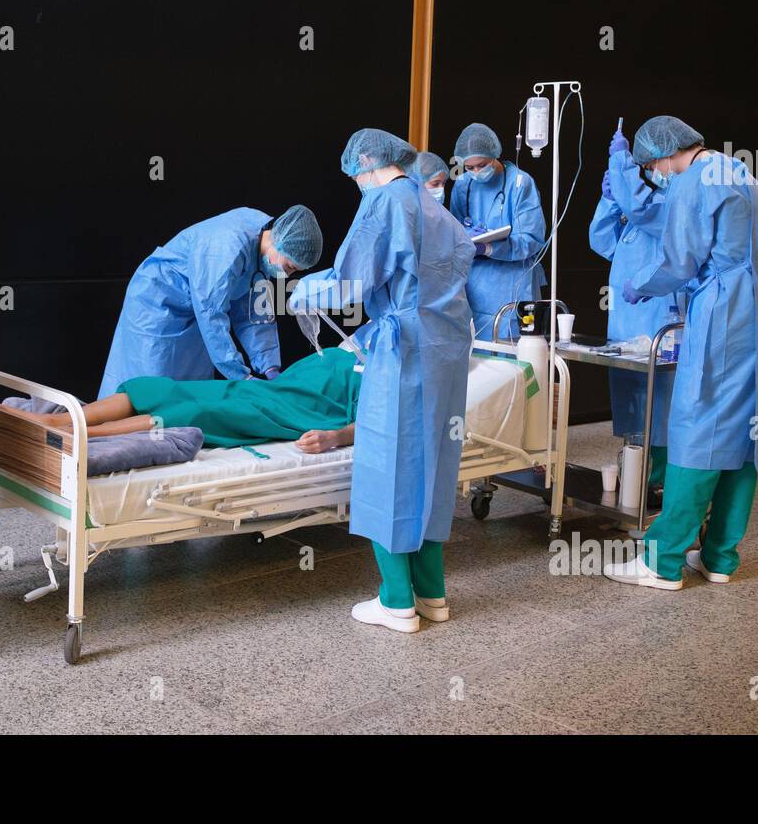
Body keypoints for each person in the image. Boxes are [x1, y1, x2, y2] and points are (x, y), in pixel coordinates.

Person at [289, 129, 474, 634]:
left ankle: (396, 600)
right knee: (433, 468)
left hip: (403, 352)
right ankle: (432, 594)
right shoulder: (433, 206)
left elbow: (352, 281)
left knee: (388, 467)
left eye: (355, 174)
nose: (356, 182)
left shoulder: (383, 203)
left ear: (365, 164)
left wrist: (306, 290)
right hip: (446, 350)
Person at [603, 116, 758, 590]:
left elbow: (678, 259)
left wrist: (639, 285)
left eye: (654, 166)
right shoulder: (740, 172)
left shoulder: (693, 182)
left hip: (726, 310)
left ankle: (662, 561)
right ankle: (720, 556)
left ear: (667, 154)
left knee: (698, 425)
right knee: (748, 429)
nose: (658, 174)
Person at [97, 205, 323, 399]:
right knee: (144, 388)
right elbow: (210, 313)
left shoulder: (261, 254)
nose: (289, 275)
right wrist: (241, 375)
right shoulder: (226, 247)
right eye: (291, 267)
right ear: (280, 241)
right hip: (157, 306)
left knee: (187, 394)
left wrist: (270, 366)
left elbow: (253, 315)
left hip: (195, 314)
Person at [7, 346, 362, 452]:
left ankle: (76, 433)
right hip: (262, 390)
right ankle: (60, 420)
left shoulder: (385, 377)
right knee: (158, 387)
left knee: (192, 411)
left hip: (283, 414)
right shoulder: (341, 349)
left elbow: (372, 424)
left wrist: (334, 438)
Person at [588, 121, 681, 485]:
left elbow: (645, 210)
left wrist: (622, 169)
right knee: (632, 402)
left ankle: (660, 479)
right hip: (626, 324)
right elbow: (601, 241)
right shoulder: (636, 214)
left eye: (648, 166)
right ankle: (635, 473)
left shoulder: (669, 206)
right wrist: (610, 199)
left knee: (662, 404)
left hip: (660, 320)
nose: (649, 174)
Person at [448, 122, 547, 339]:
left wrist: (490, 247)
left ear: (494, 155)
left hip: (512, 286)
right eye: (469, 167)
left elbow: (532, 239)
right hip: (473, 287)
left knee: (511, 360)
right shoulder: (463, 185)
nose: (475, 172)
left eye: (481, 165)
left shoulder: (520, 183)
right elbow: (452, 234)